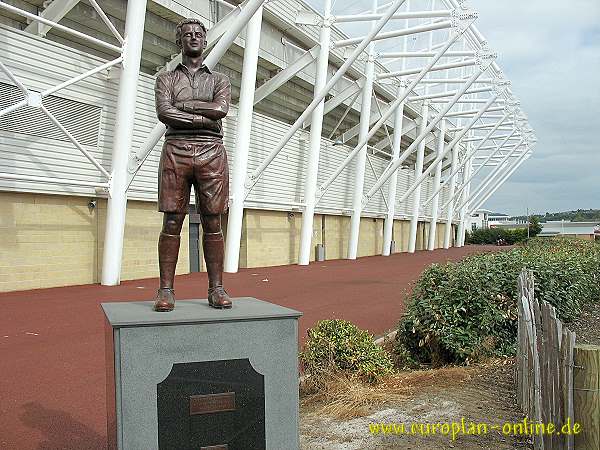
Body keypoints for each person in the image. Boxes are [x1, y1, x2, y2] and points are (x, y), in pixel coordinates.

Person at [153, 18, 232, 312]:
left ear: (205, 40)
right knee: (172, 220)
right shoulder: (165, 78)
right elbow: (164, 112)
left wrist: (183, 107)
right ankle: (165, 290)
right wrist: (204, 115)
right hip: (176, 150)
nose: (194, 38)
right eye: (187, 35)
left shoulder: (219, 79)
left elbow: (221, 109)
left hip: (212, 152)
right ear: (179, 42)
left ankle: (217, 288)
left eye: (198, 34)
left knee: (213, 220)